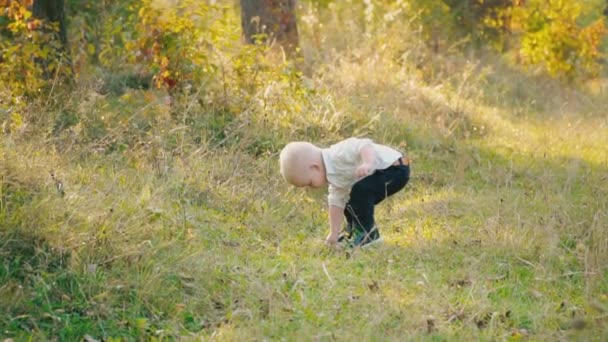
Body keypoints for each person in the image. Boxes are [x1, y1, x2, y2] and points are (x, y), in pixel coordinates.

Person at [279, 137, 410, 247]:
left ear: (315, 168)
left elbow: (364, 145)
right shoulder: (335, 179)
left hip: (395, 168)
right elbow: (336, 205)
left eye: (309, 183)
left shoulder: (338, 154)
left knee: (360, 191)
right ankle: (353, 230)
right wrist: (333, 234)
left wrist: (368, 163)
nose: (311, 188)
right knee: (347, 198)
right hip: (384, 173)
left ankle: (368, 233)